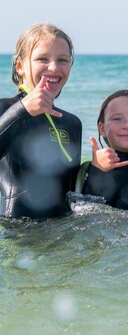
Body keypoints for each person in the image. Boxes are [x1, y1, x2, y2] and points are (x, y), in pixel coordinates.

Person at [0, 23, 82, 219]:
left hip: (60, 232)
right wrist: (22, 110)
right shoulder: (4, 109)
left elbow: (73, 195)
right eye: (42, 59)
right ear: (19, 66)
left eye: (63, 60)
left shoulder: (71, 123)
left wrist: (98, 170)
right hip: (15, 234)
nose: (53, 67)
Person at [75, 90, 128, 212]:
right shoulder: (86, 171)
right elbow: (83, 212)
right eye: (117, 119)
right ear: (102, 128)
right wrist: (97, 171)